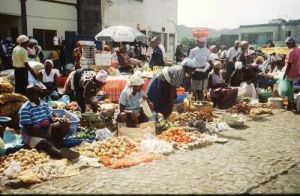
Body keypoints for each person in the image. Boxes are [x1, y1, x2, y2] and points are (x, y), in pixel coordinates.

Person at [18, 85, 80, 160]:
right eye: (28, 93)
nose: (29, 96)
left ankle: (58, 143)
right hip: (32, 135)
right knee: (47, 145)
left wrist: (58, 119)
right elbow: (30, 131)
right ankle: (62, 155)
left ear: (38, 94)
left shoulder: (44, 104)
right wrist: (46, 138)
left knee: (65, 123)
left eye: (32, 93)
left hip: (46, 129)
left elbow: (50, 119)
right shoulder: (25, 109)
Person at [283, 37, 300, 109]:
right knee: (296, 90)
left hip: (290, 74)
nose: (287, 46)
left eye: (288, 44)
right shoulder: (299, 50)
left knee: (289, 91)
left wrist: (285, 74)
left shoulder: (291, 51)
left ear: (292, 43)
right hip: (297, 74)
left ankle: (290, 105)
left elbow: (289, 65)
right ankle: (295, 105)